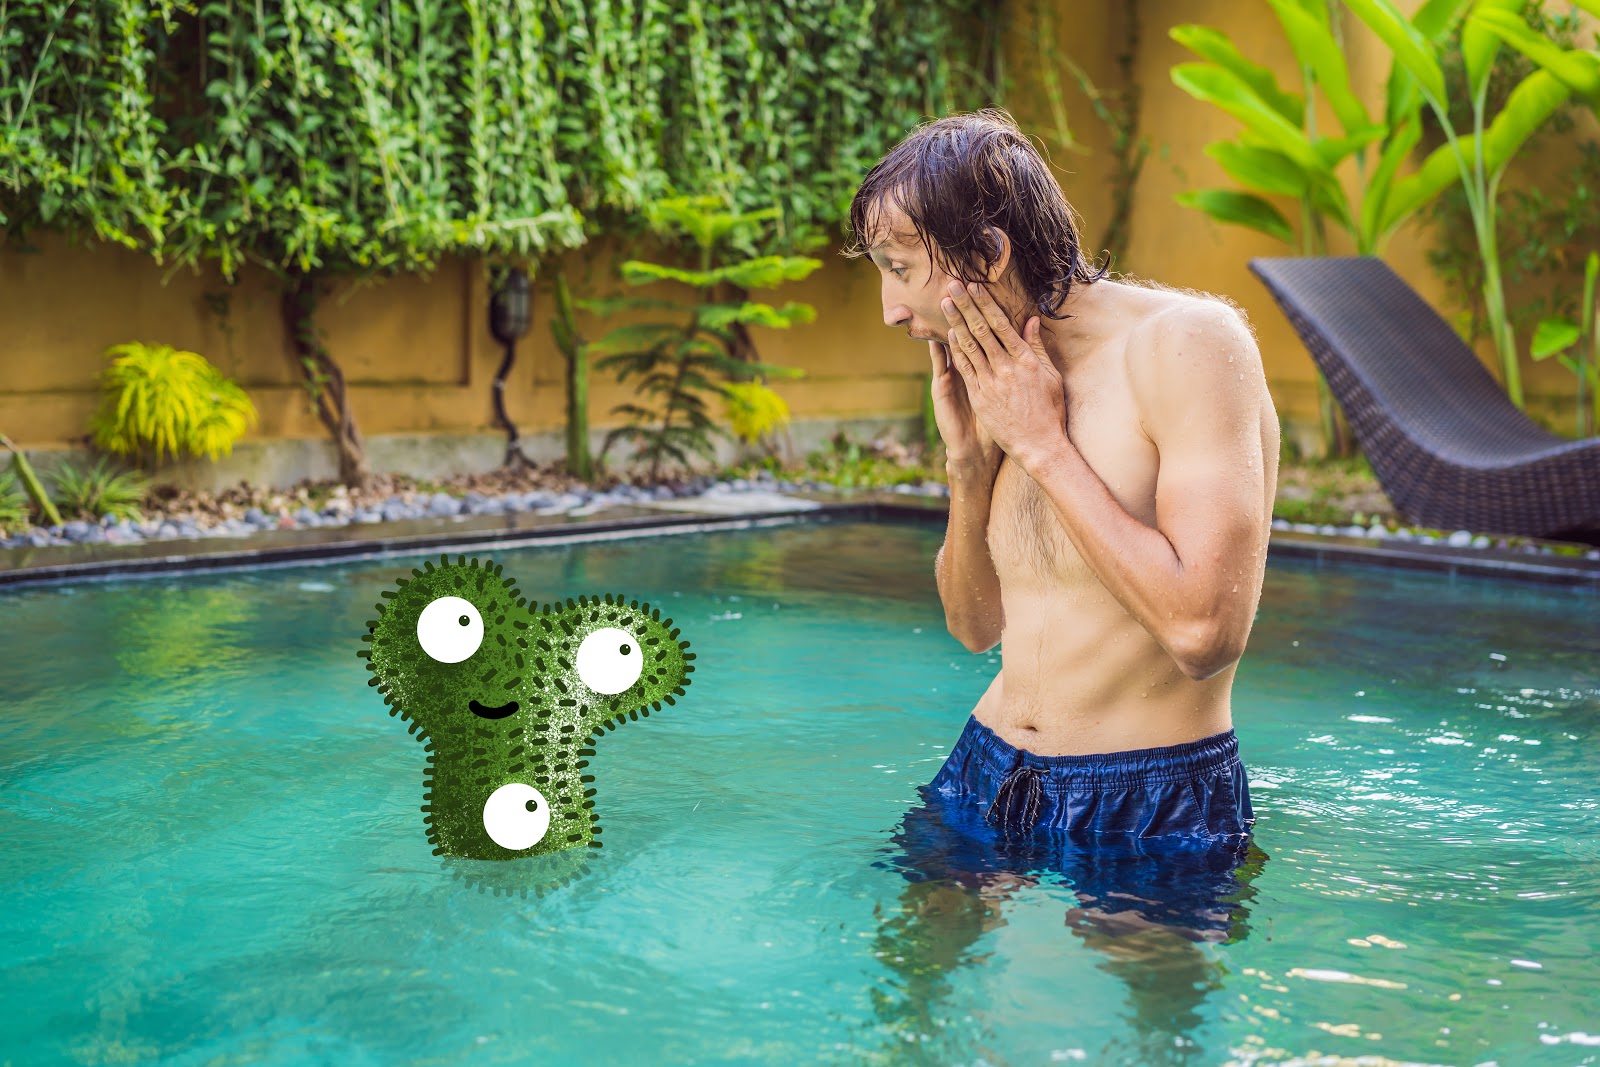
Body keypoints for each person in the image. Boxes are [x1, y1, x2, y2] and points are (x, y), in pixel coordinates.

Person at [845, 107, 1279, 928]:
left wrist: (1043, 445)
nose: (890, 310)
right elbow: (974, 628)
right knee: (911, 1002)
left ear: (989, 255)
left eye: (899, 268)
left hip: (1146, 792)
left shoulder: (1187, 345)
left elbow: (1203, 634)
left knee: (1152, 1048)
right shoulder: (1003, 371)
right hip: (987, 766)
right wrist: (969, 471)